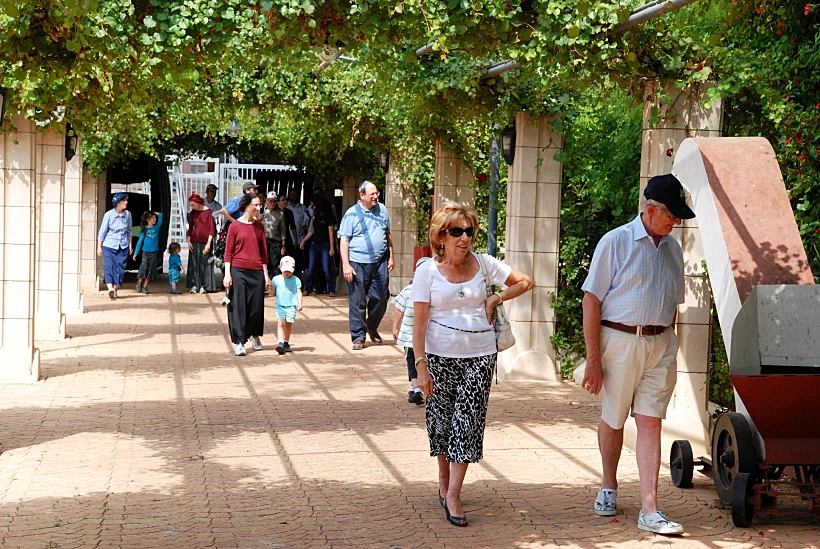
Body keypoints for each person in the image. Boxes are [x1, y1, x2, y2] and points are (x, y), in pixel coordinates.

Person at [581, 174, 694, 536]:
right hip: (619, 341)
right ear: (650, 210)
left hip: (660, 343)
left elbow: (673, 302)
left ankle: (650, 508)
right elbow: (591, 300)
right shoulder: (615, 242)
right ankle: (608, 484)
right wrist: (594, 359)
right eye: (671, 215)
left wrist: (668, 340)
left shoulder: (674, 249)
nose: (676, 222)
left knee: (650, 422)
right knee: (613, 418)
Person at [412, 201, 533, 528]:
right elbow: (419, 323)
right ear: (441, 236)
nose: (464, 238)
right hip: (439, 356)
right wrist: (420, 366)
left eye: (469, 231)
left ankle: (454, 494)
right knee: (441, 421)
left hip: (480, 356)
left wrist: (496, 297)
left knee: (467, 422)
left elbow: (525, 282)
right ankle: (443, 475)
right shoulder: (427, 272)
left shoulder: (484, 264)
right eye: (457, 232)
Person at [339, 181, 394, 350]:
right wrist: (346, 265)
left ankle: (371, 325)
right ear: (361, 195)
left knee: (381, 297)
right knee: (357, 301)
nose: (376, 196)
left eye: (377, 193)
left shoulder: (382, 210)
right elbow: (344, 241)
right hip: (357, 262)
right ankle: (358, 336)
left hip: (379, 262)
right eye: (372, 194)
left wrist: (391, 256)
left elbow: (387, 234)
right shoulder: (351, 215)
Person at [223, 193, 271, 357]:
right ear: (246, 205)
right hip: (238, 270)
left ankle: (254, 334)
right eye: (255, 205)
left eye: (259, 205)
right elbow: (228, 253)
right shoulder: (234, 226)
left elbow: (264, 254)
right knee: (240, 305)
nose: (258, 208)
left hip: (256, 270)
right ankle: (239, 341)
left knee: (256, 307)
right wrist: (227, 274)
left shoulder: (260, 227)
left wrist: (266, 275)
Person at [392, 256, 431, 406]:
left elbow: (399, 309)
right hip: (412, 335)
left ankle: (414, 388)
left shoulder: (428, 290)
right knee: (416, 360)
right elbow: (399, 309)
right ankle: (415, 387)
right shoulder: (409, 290)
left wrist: (396, 327)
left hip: (420, 336)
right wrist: (395, 327)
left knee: (414, 360)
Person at [97, 192, 133, 300]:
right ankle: (110, 289)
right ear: (117, 202)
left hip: (123, 246)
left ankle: (115, 289)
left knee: (120, 270)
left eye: (126, 200)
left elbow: (129, 232)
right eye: (124, 200)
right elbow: (102, 232)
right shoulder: (108, 215)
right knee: (108, 267)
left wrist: (130, 246)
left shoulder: (128, 215)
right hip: (109, 246)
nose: (126, 202)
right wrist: (99, 247)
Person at [300, 195, 337, 297]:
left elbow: (331, 233)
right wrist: (303, 241)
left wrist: (332, 247)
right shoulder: (315, 217)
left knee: (326, 268)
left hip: (325, 245)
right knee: (311, 267)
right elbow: (311, 231)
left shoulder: (329, 217)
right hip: (314, 244)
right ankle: (307, 288)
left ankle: (330, 289)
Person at [271, 256, 303, 355]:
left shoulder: (296, 280)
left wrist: (300, 303)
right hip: (280, 305)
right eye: (285, 271)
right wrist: (268, 288)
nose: (287, 273)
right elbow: (272, 292)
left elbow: (299, 292)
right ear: (280, 268)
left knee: (288, 325)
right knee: (280, 324)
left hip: (291, 305)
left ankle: (286, 342)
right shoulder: (276, 279)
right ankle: (280, 342)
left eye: (289, 271)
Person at [186, 193, 216, 294]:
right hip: (194, 241)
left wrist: (209, 243)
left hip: (204, 242)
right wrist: (189, 241)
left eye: (193, 205)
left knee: (204, 263)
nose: (192, 207)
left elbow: (212, 229)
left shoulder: (208, 213)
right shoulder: (193, 213)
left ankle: (204, 285)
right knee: (194, 263)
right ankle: (194, 284)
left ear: (198, 203)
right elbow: (190, 227)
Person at [133, 210, 163, 294]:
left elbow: (161, 215)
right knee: (144, 268)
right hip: (145, 252)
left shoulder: (157, 228)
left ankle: (145, 287)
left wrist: (152, 212)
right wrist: (135, 253)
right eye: (152, 218)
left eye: (154, 218)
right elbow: (139, 242)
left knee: (151, 270)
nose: (154, 220)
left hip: (154, 252)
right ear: (147, 219)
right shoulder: (144, 230)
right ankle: (139, 282)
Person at [261, 191, 287, 281]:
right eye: (270, 201)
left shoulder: (280, 214)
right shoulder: (261, 211)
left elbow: (283, 230)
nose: (272, 203)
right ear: (266, 201)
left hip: (275, 241)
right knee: (262, 263)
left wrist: (283, 245)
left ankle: (274, 285)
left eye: (274, 201)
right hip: (262, 241)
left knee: (274, 264)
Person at [286, 188, 310, 276]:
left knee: (298, 263)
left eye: (295, 194)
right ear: (288, 196)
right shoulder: (286, 207)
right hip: (288, 240)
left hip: (299, 240)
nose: (294, 196)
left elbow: (306, 224)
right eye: (292, 195)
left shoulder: (303, 208)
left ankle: (297, 282)